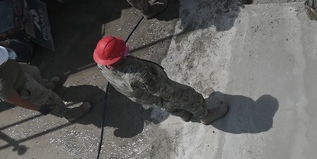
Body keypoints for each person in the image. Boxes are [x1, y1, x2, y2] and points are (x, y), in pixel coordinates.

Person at [93, 36, 228, 125]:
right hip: (154, 89)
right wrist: (186, 98)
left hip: (142, 96)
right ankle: (205, 115)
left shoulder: (102, 65)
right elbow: (166, 91)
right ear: (120, 56)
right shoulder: (139, 75)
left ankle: (185, 115)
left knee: (164, 104)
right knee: (185, 96)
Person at [0, 43, 90, 119]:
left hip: (21, 71)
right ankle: (68, 114)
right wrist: (39, 108)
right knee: (50, 99)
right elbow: (18, 101)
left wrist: (7, 42)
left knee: (35, 72)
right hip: (24, 86)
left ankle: (46, 85)